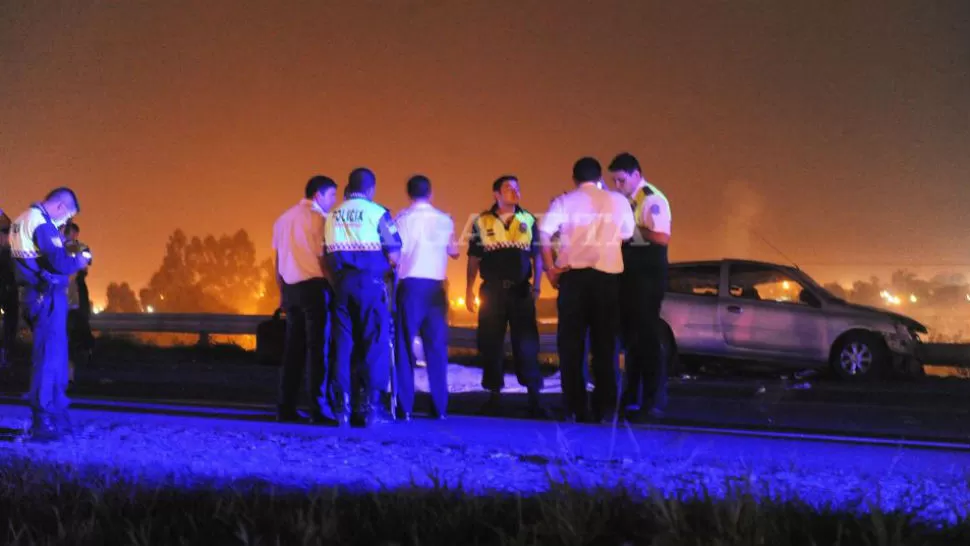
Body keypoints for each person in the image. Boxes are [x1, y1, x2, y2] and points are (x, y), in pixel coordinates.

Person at [539, 158, 635, 423]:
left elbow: (543, 233)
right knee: (606, 346)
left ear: (574, 178)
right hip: (607, 279)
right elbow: (627, 234)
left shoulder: (564, 201)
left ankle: (574, 408)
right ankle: (606, 411)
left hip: (573, 279)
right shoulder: (617, 201)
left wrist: (550, 269)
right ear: (600, 177)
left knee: (572, 346)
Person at [9, 188, 90, 441]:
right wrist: (83, 257)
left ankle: (55, 416)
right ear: (59, 206)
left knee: (54, 358)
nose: (65, 222)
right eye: (67, 216)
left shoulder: (25, 219)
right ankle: (44, 421)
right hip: (46, 297)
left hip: (37, 296)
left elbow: (48, 254)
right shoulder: (41, 223)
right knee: (49, 361)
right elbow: (60, 262)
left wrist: (68, 248)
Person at [325, 167, 402, 427]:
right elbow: (394, 254)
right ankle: (371, 410)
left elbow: (325, 254)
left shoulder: (332, 214)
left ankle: (341, 409)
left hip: (342, 285)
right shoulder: (378, 213)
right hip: (370, 285)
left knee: (343, 347)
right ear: (371, 189)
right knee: (374, 344)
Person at [466, 175, 548, 418]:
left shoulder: (528, 219)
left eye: (517, 188)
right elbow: (473, 258)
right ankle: (494, 395)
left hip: (521, 290)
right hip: (492, 291)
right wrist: (469, 289)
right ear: (496, 195)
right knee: (491, 342)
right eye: (508, 188)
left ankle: (534, 396)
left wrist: (537, 286)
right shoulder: (481, 221)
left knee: (527, 343)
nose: (514, 191)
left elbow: (538, 255)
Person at [608, 152, 673, 420]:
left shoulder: (651, 198)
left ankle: (652, 399)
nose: (617, 186)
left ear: (636, 174)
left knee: (646, 339)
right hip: (629, 277)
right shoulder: (626, 200)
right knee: (632, 340)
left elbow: (661, 236)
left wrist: (627, 230)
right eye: (614, 181)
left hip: (647, 277)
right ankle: (632, 396)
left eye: (621, 180)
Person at [271, 175, 340, 425]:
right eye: (332, 195)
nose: (334, 201)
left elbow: (278, 262)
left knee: (292, 351)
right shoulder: (320, 219)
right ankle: (318, 408)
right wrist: (335, 286)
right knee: (317, 350)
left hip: (290, 289)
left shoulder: (282, 219)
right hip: (315, 288)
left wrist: (282, 292)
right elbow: (323, 258)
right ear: (319, 195)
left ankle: (285, 406)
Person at [393, 175, 458, 421]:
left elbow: (396, 256)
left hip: (410, 286)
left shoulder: (401, 220)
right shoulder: (444, 220)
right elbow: (454, 252)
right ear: (431, 193)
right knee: (436, 348)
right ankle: (440, 406)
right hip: (436, 288)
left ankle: (405, 406)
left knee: (403, 346)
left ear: (409, 194)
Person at [62, 222, 94, 382]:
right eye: (73, 234)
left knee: (72, 336)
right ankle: (70, 371)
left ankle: (72, 369)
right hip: (66, 303)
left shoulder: (73, 248)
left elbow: (88, 255)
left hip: (73, 302)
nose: (74, 238)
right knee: (68, 338)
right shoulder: (65, 248)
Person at [0, 210, 17, 368]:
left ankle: (6, 354)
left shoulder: (9, 253)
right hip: (7, 291)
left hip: (8, 292)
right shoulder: (6, 254)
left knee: (10, 324)